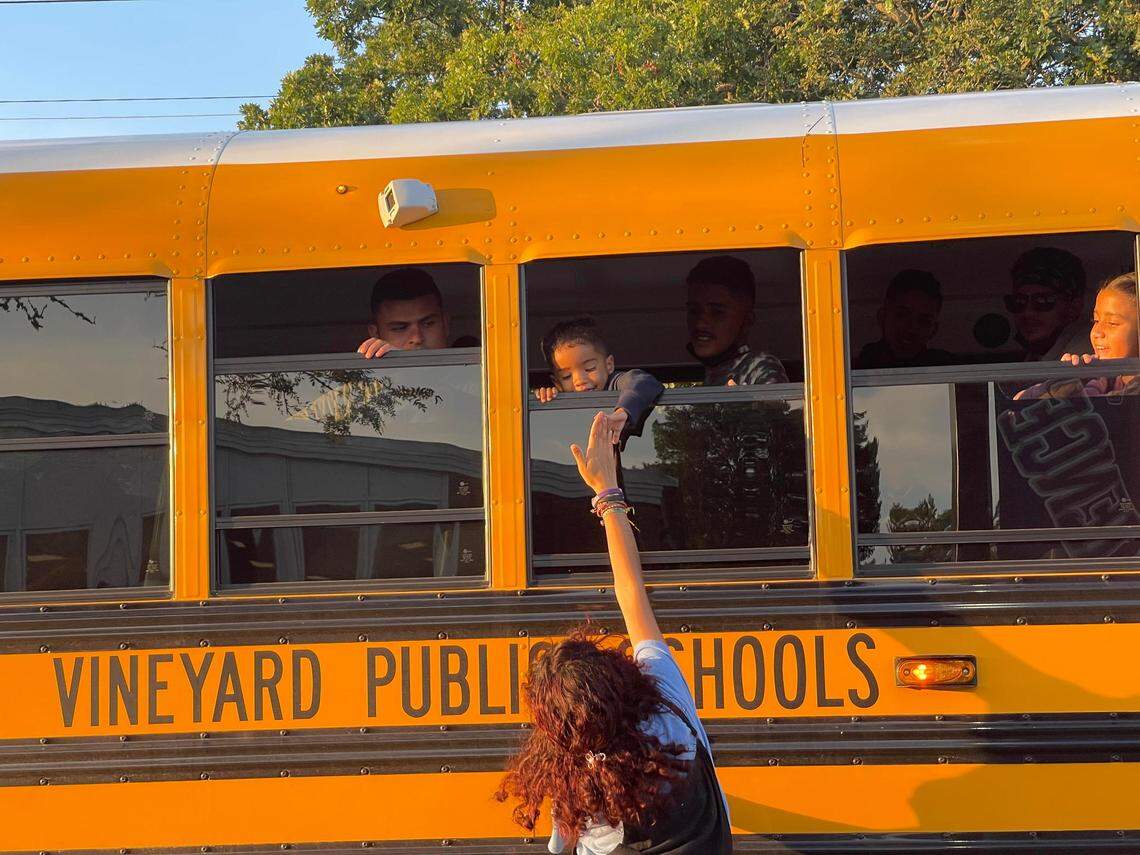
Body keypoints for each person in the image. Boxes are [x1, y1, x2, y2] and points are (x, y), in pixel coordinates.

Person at [496, 411, 733, 854]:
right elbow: (631, 594)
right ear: (619, 678)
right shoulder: (666, 705)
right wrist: (607, 493)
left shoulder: (574, 778)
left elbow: (560, 846)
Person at [535, 317, 665, 447]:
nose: (579, 380)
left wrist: (623, 411)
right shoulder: (563, 402)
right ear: (557, 383)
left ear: (609, 365)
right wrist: (549, 398)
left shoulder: (615, 384)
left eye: (589, 368)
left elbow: (643, 382)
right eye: (566, 376)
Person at [1014, 273, 1140, 399]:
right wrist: (1065, 380)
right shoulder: (1104, 379)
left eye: (1112, 323)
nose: (1096, 332)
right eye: (1096, 320)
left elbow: (1105, 408)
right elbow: (1019, 401)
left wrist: (1072, 391)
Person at [685, 255, 787, 386]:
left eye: (717, 313)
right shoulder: (713, 375)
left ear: (747, 321)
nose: (700, 324)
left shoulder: (759, 366)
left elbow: (777, 405)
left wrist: (745, 403)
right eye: (694, 311)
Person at [357, 267, 477, 357]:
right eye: (400, 328)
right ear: (376, 334)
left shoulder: (479, 379)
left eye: (428, 323)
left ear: (445, 324)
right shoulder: (369, 387)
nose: (417, 338)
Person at [853, 269, 955, 369]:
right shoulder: (856, 372)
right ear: (882, 316)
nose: (912, 328)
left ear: (934, 330)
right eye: (902, 315)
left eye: (924, 321)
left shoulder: (945, 368)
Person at [1005, 247, 1091, 362]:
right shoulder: (1040, 351)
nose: (1027, 313)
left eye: (1042, 301)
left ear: (1073, 307)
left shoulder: (1083, 355)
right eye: (1019, 302)